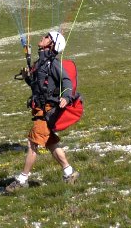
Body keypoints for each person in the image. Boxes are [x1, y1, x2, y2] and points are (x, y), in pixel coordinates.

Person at [5, 30, 79, 193]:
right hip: (39, 108)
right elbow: (37, 87)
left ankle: (22, 179)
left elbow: (66, 81)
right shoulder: (40, 63)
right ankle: (69, 172)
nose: (43, 38)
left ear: (52, 44)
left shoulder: (53, 64)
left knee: (33, 143)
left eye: (47, 37)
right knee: (51, 143)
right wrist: (27, 77)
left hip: (47, 111)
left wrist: (66, 97)